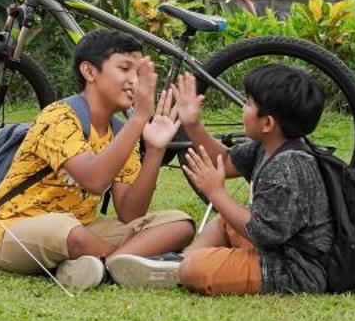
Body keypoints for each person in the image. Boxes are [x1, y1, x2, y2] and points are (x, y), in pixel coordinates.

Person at [0, 31, 196, 290]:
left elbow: (130, 213)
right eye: (125, 69)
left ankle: (106, 265)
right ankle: (129, 264)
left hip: (85, 229)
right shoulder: (59, 116)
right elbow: (94, 180)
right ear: (89, 71)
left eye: (139, 73)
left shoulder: (119, 132)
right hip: (17, 230)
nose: (134, 81)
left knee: (179, 224)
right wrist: (139, 118)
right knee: (69, 230)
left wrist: (154, 150)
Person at [111, 66, 335, 296]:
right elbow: (225, 160)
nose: (242, 107)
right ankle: (179, 260)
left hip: (292, 270)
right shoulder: (269, 147)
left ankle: (183, 266)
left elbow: (262, 233)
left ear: (267, 123)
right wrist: (193, 124)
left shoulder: (288, 167)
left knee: (196, 270)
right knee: (224, 222)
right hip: (275, 248)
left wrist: (216, 193)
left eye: (248, 103)